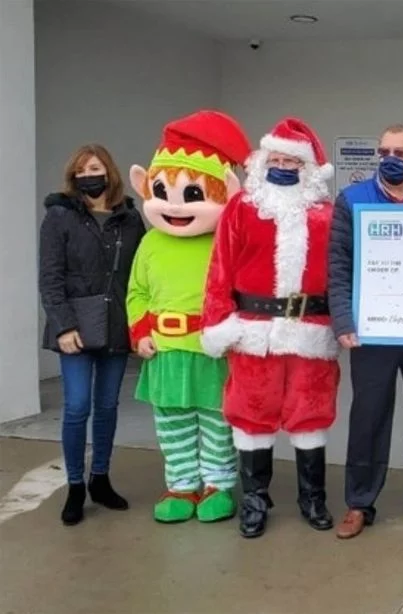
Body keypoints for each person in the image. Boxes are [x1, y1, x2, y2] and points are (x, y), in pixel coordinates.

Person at [200, 117, 340, 538]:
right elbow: (219, 270)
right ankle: (255, 500)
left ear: (307, 168)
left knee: (310, 414)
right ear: (262, 161)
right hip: (252, 332)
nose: (281, 166)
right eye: (275, 159)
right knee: (251, 416)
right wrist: (218, 322)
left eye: (290, 161)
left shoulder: (328, 216)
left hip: (311, 331)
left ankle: (312, 497)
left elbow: (342, 275)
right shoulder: (241, 208)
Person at [126, 110, 251, 524]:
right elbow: (137, 292)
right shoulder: (151, 243)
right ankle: (181, 484)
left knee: (216, 420)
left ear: (226, 192)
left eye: (192, 194)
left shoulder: (226, 241)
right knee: (172, 422)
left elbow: (241, 290)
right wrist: (140, 330)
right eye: (161, 190)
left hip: (210, 351)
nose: (173, 205)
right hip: (165, 352)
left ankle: (217, 484)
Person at [328, 124, 403, 539]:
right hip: (371, 333)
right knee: (368, 418)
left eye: (400, 152)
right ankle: (359, 502)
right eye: (384, 151)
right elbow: (337, 265)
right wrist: (343, 321)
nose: (390, 159)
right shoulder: (352, 199)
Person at [39, 144, 146, 526]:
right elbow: (50, 277)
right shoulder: (60, 216)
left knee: (107, 406)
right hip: (75, 327)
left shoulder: (130, 219)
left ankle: (100, 478)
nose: (89, 176)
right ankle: (74, 485)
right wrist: (64, 325)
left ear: (109, 172)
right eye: (82, 171)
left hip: (116, 323)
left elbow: (141, 273)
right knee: (77, 406)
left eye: (95, 168)